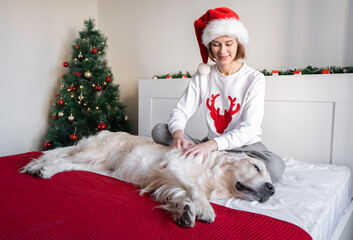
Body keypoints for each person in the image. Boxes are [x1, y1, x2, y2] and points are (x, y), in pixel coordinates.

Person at [152, 7, 285, 183]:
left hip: (246, 146)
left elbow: (249, 129)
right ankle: (216, 160)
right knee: (160, 131)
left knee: (275, 167)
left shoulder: (254, 78)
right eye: (216, 44)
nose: (222, 51)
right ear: (209, 46)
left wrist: (210, 146)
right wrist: (178, 135)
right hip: (212, 144)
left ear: (238, 43)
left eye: (228, 43)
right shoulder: (203, 75)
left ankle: (210, 158)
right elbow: (181, 110)